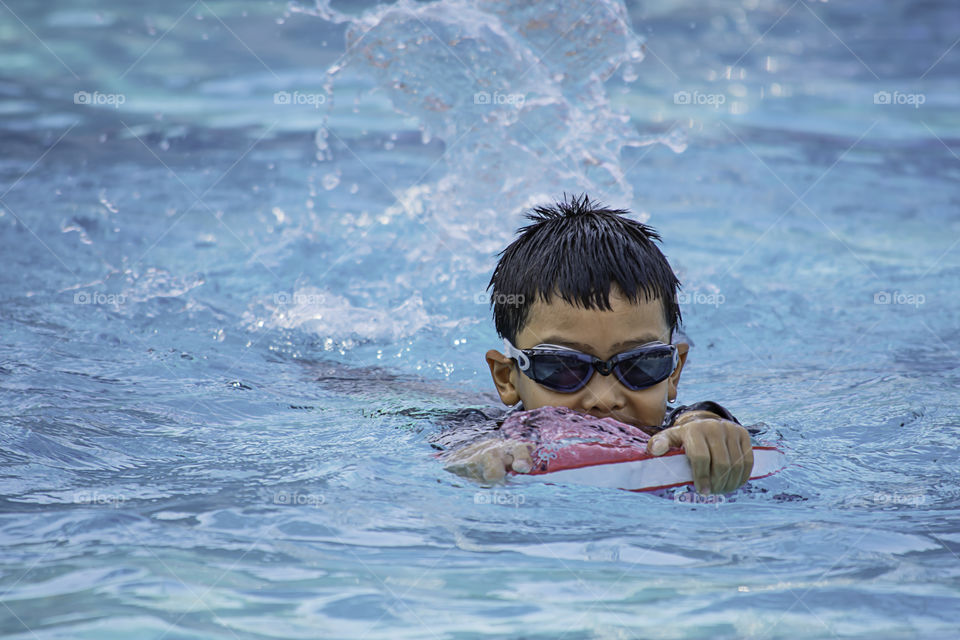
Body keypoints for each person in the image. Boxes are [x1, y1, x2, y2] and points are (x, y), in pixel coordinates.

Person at [435, 193, 753, 495]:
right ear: (508, 379)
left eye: (641, 364)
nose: (604, 398)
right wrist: (474, 456)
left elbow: (696, 416)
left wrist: (707, 425)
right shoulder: (491, 434)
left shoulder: (676, 430)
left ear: (672, 373)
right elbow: (460, 442)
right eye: (564, 368)